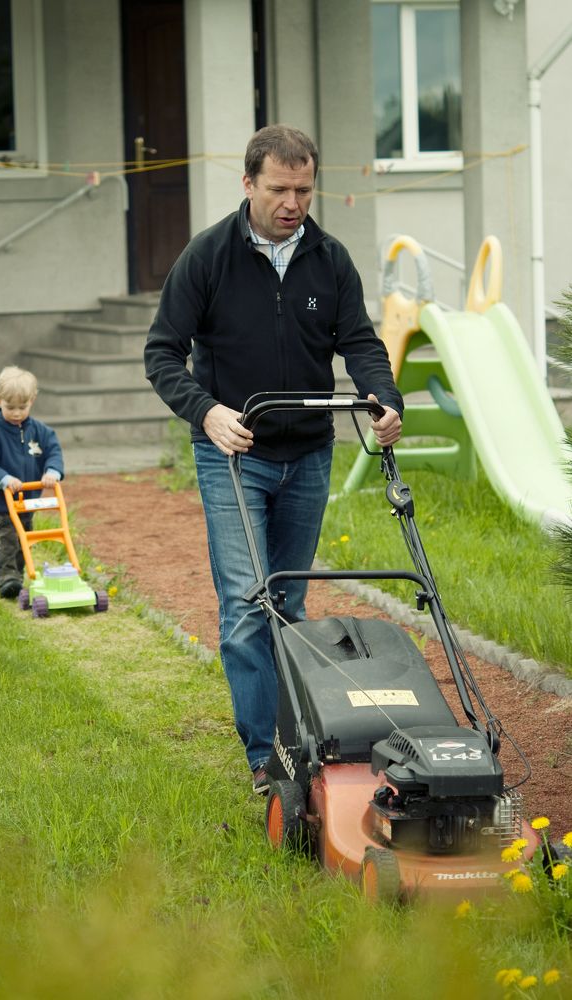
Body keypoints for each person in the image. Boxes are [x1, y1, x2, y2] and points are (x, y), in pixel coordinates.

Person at [144, 124, 403, 795]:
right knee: (244, 604)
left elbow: (360, 343)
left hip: (308, 455)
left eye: (304, 189)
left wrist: (383, 398)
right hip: (235, 455)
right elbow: (161, 353)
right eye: (280, 189)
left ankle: (298, 741)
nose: (293, 202)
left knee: (287, 600)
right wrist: (206, 411)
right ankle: (266, 761)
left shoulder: (329, 260)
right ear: (249, 183)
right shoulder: (208, 258)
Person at [0, 366, 64, 599]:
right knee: (8, 539)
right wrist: (4, 479)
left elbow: (53, 451)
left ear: (32, 401)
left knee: (25, 539)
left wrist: (52, 471)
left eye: (22, 408)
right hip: (2, 504)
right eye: (10, 407)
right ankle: (7, 578)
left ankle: (19, 573)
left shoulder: (40, 432)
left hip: (28, 501)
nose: (16, 413)